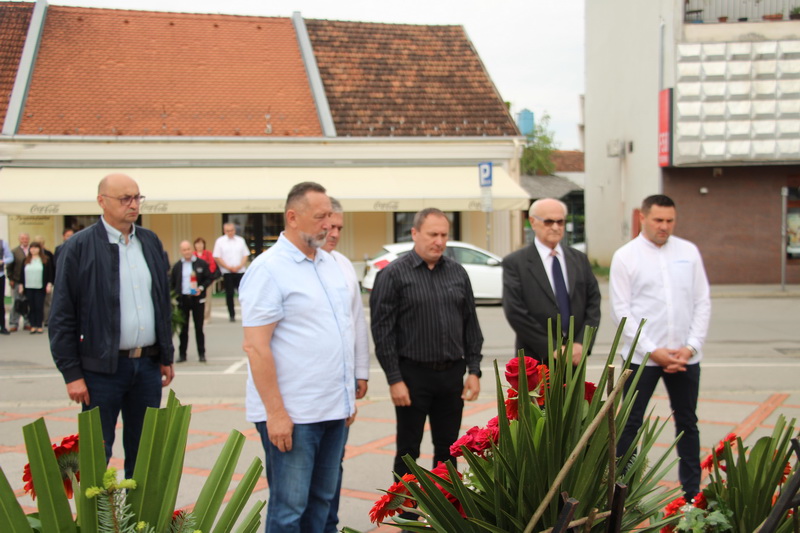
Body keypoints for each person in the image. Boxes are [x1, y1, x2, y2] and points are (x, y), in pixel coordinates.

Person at [241, 181, 356, 533]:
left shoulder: (330, 264)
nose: (328, 224)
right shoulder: (268, 269)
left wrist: (348, 399)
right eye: (320, 217)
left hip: (333, 410)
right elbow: (256, 347)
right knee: (289, 509)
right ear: (292, 217)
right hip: (294, 416)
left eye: (330, 216)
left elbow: (344, 332)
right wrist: (276, 413)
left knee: (322, 501)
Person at [49, 173, 175, 479]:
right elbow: (62, 315)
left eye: (137, 197)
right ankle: (96, 510)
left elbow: (162, 302)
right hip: (99, 371)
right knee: (96, 454)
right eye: (125, 199)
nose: (133, 204)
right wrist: (72, 373)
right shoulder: (78, 247)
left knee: (145, 454)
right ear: (101, 201)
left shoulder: (149, 242)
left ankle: (140, 511)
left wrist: (165, 355)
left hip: (146, 366)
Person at [370, 208, 483, 488]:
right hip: (412, 376)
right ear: (415, 233)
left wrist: (474, 370)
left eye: (444, 235)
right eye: (433, 234)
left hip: (451, 375)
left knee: (449, 449)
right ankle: (405, 509)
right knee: (408, 451)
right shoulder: (393, 275)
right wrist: (394, 379)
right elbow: (383, 332)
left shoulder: (458, 273)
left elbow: (470, 324)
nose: (439, 241)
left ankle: (443, 508)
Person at [610, 194, 711, 499]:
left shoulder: (688, 252)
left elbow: (702, 302)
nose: (664, 226)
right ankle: (622, 498)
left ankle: (691, 495)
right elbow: (620, 311)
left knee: (688, 422)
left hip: (684, 357)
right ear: (643, 218)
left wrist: (691, 347)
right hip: (642, 358)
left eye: (670, 221)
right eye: (658, 220)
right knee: (630, 425)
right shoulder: (625, 256)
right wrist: (652, 350)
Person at [502, 198, 601, 366]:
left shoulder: (579, 259)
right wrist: (553, 349)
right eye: (548, 222)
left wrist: (581, 344)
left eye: (560, 222)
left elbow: (593, 304)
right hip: (536, 359)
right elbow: (515, 312)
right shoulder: (516, 263)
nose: (555, 227)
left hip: (574, 358)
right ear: (533, 222)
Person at [322, 198, 369, 532]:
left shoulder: (343, 265)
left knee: (334, 462)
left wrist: (361, 372)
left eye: (340, 227)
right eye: (330, 226)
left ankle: (330, 524)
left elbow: (357, 323)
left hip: (343, 383)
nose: (335, 233)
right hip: (308, 391)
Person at [170, 240, 214, 362]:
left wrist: (201, 288)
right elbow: (172, 282)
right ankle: (182, 354)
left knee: (199, 328)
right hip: (183, 299)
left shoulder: (201, 263)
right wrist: (174, 295)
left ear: (192, 249)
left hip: (197, 299)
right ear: (181, 251)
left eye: (188, 249)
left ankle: (201, 353)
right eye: (184, 250)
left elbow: (209, 278)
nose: (187, 252)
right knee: (183, 329)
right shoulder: (177, 266)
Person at [213, 222, 250, 322]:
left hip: (240, 271)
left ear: (234, 230)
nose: (230, 232)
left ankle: (246, 314)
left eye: (232, 230)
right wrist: (228, 267)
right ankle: (232, 315)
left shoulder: (240, 240)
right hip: (227, 272)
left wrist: (239, 266)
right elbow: (217, 257)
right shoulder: (220, 241)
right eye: (228, 231)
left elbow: (245, 255)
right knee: (229, 294)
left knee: (243, 294)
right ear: (224, 231)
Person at [18, 242, 54, 334]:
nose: (33, 250)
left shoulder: (45, 259)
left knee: (39, 306)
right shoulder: (26, 260)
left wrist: (49, 284)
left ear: (39, 249)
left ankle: (39, 325)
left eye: (35, 248)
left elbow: (50, 273)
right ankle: (33, 325)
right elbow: (22, 274)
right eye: (31, 248)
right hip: (29, 286)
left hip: (40, 286)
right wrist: (21, 285)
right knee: (31, 306)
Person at [7, 232, 31, 332]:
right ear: (19, 240)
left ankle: (27, 322)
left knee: (27, 302)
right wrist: (11, 278)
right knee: (16, 302)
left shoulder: (32, 250)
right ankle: (13, 323)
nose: (24, 240)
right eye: (22, 239)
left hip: (30, 281)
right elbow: (9, 267)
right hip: (17, 280)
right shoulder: (14, 251)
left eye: (26, 238)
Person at [193, 237, 218, 323]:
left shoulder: (208, 254)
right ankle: (198, 316)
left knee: (207, 298)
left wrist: (207, 274)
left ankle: (207, 316)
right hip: (195, 281)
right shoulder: (193, 255)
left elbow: (212, 265)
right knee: (195, 298)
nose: (199, 245)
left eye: (201, 243)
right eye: (197, 243)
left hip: (207, 280)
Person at [32, 236, 55, 327]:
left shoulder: (48, 254)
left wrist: (50, 282)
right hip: (34, 283)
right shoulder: (30, 256)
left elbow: (52, 269)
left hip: (46, 282)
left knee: (47, 302)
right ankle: (37, 321)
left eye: (41, 243)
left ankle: (47, 319)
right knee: (36, 303)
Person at [0, 237, 13, 334]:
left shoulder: (2, 243)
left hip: (0, 276)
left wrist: (3, 261)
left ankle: (3, 326)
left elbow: (10, 257)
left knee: (0, 302)